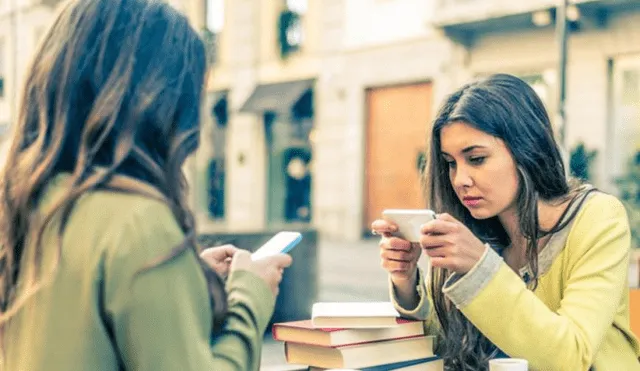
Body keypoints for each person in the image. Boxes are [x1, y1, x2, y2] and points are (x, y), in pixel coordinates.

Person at [0, 0, 292, 370]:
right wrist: (250, 298)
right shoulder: (138, 223)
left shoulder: (34, 202)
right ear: (165, 104)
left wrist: (184, 277)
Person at [372, 73, 640, 371]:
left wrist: (480, 267)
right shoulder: (479, 227)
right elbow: (448, 345)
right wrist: (405, 279)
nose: (460, 180)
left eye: (476, 159)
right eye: (451, 163)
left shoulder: (598, 218)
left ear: (526, 150)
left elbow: (570, 357)